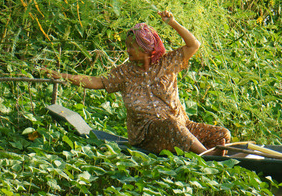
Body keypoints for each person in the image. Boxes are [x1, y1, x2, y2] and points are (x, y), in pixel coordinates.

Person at [41, 10, 230, 156]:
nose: (128, 50)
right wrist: (63, 76)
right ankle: (206, 155)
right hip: (146, 135)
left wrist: (172, 22)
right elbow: (96, 82)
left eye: (132, 46)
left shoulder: (167, 64)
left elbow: (193, 45)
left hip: (181, 128)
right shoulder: (125, 73)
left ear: (146, 49)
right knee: (173, 126)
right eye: (127, 46)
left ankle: (211, 155)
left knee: (222, 135)